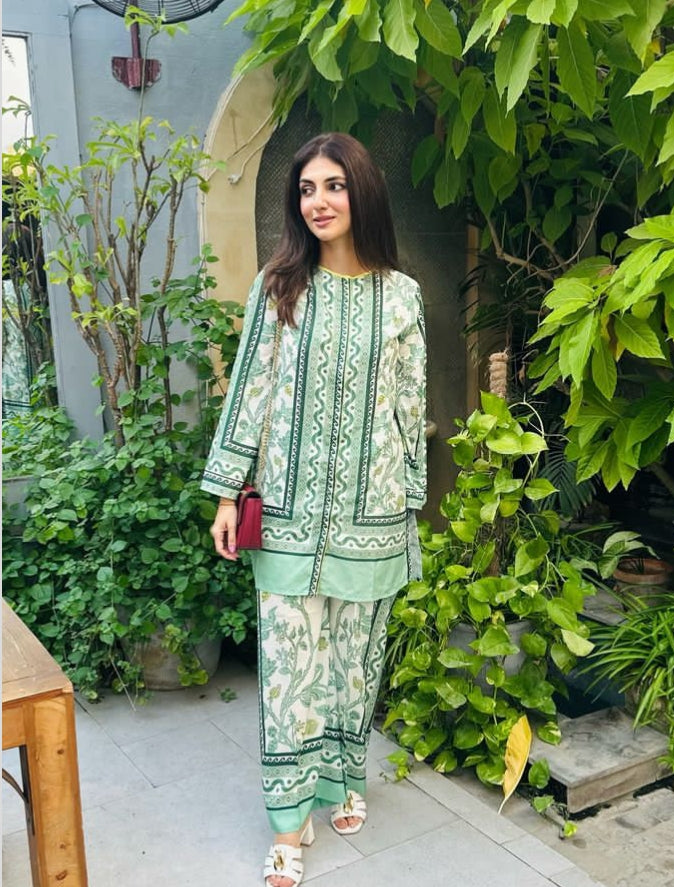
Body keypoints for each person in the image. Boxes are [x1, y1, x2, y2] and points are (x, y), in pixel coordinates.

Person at [202, 132, 426, 887]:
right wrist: (228, 492)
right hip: (288, 518)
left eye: (333, 185)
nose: (319, 201)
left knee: (354, 665)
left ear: (362, 191)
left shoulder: (402, 296)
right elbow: (249, 395)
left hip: (372, 516)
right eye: (306, 189)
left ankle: (342, 779)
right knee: (289, 671)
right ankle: (288, 822)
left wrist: (408, 506)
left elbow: (409, 405)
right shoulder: (280, 285)